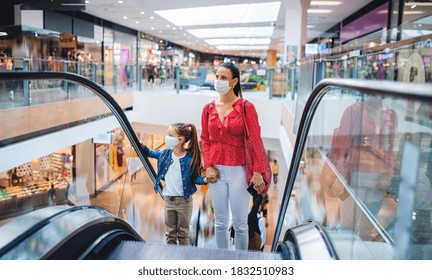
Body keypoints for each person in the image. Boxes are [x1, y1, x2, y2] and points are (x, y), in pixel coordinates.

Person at [200, 62, 267, 251]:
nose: (219, 81)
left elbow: (255, 140)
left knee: (239, 223)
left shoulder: (246, 107)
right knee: (220, 222)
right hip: (216, 172)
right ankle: (223, 261)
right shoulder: (208, 108)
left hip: (239, 170)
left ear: (234, 81)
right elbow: (205, 139)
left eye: (224, 77)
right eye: (217, 77)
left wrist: (258, 171)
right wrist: (208, 166)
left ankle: (239, 262)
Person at [320, 95, 397, 240]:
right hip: (354, 179)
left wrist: (389, 175)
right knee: (347, 228)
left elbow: (390, 148)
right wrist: (342, 177)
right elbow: (341, 147)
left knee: (366, 230)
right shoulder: (354, 111)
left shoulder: (391, 115)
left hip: (378, 183)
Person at [143, 122, 208, 245]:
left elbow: (195, 178)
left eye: (170, 134)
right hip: (168, 201)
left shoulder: (190, 158)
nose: (166, 137)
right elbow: (151, 153)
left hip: (184, 202)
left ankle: (182, 259)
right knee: (170, 234)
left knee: (183, 234)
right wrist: (143, 147)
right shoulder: (165, 154)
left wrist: (204, 180)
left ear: (180, 139)